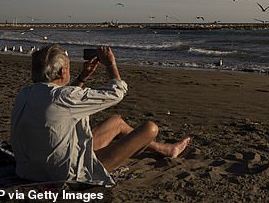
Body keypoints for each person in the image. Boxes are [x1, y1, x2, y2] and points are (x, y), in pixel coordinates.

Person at [10, 44, 190, 186]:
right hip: (65, 174)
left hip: (28, 170)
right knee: (150, 128)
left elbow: (59, 104)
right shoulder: (64, 97)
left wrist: (82, 78)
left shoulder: (25, 93)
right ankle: (165, 149)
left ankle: (166, 149)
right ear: (63, 72)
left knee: (116, 122)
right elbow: (117, 92)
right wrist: (111, 64)